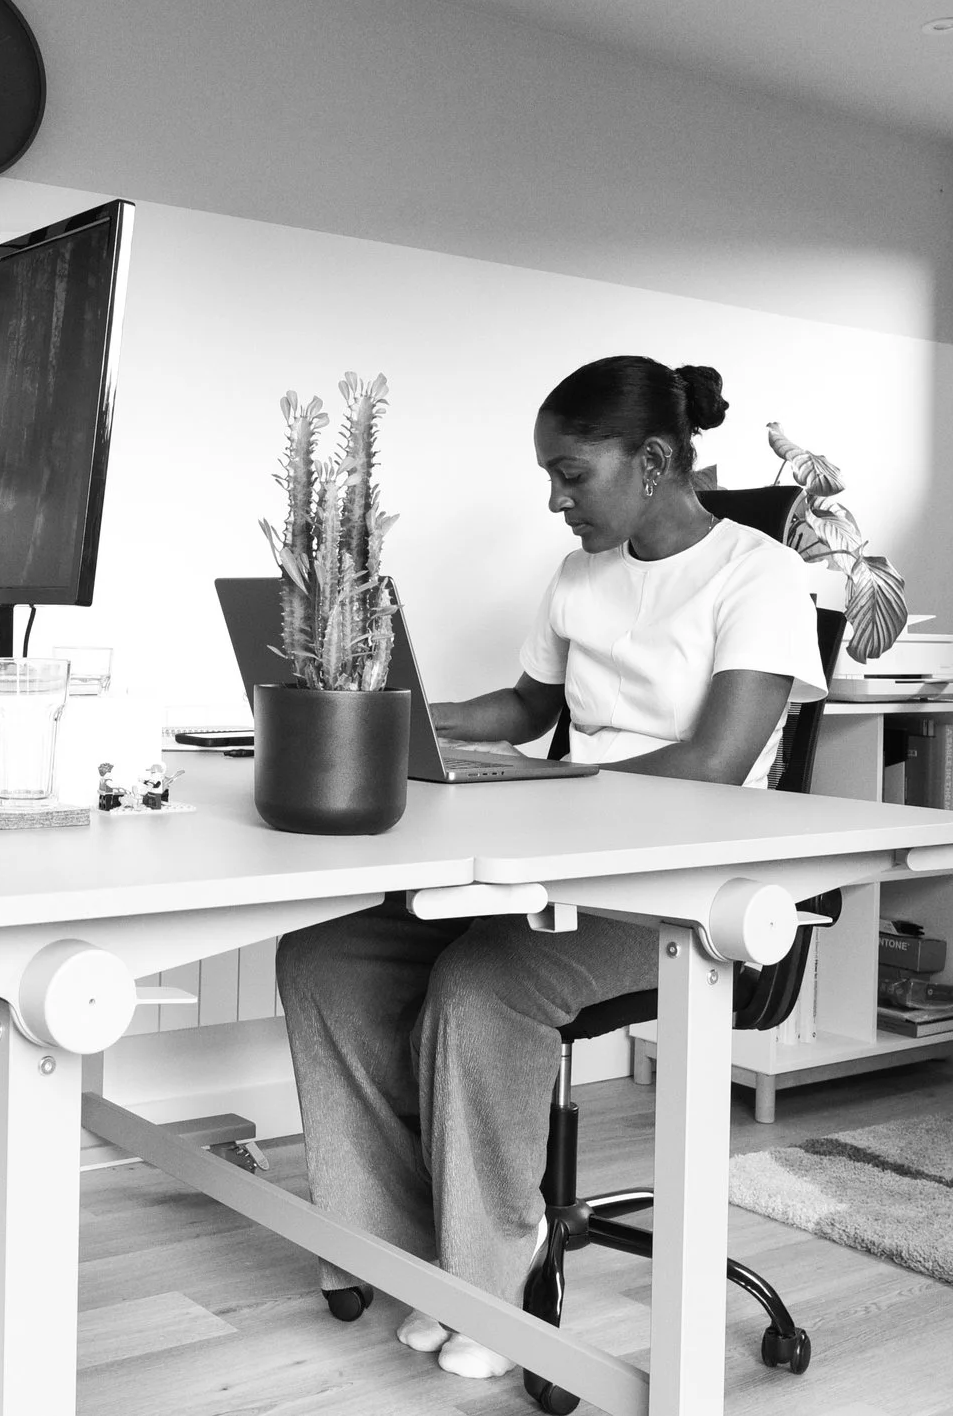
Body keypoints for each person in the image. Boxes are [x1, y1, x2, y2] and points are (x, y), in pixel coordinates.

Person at [274, 355, 826, 1380]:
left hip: (682, 885)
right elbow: (528, 711)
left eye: (570, 474)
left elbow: (712, 763)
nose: (554, 499)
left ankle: (491, 1272)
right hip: (560, 860)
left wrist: (546, 799)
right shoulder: (582, 572)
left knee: (483, 989)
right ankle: (410, 1247)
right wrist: (395, 716)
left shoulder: (761, 575)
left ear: (654, 461)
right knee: (328, 953)